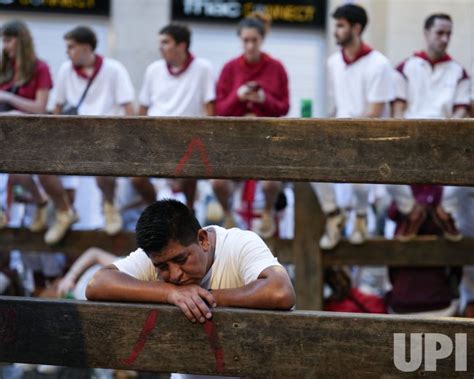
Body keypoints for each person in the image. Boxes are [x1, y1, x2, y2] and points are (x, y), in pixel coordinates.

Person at [86, 199, 295, 324]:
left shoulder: (240, 243)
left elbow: (280, 291)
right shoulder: (157, 254)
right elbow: (98, 283)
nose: (175, 274)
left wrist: (206, 298)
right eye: (163, 267)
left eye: (181, 259)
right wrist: (171, 293)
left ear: (203, 240)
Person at [38, 26, 147, 245]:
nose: (67, 52)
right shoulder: (65, 70)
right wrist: (52, 141)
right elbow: (57, 109)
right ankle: (64, 210)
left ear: (86, 48)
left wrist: (127, 141)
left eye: (71, 47)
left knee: (103, 169)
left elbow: (129, 109)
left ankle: (109, 207)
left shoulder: (113, 69)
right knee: (39, 166)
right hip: (74, 138)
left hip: (108, 139)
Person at [311, 3, 395, 250]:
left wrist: (346, 131)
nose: (335, 30)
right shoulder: (333, 62)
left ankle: (360, 217)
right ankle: (334, 215)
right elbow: (336, 107)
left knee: (360, 179)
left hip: (370, 139)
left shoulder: (379, 64)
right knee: (308, 165)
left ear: (356, 28)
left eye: (341, 25)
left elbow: (374, 113)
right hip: (341, 135)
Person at [388, 13, 470, 241]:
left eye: (448, 34)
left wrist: (448, 137)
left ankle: (445, 210)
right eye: (440, 33)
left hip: (447, 142)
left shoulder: (459, 72)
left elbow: (461, 111)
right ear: (426, 34)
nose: (444, 39)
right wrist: (401, 139)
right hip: (410, 139)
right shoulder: (406, 67)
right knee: (382, 166)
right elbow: (398, 109)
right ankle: (411, 211)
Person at [212, 12, 289, 238]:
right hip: (235, 138)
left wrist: (264, 99)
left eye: (254, 40)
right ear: (240, 40)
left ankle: (267, 213)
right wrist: (239, 95)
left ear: (262, 39)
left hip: (266, 137)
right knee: (217, 182)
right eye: (245, 40)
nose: (250, 45)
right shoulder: (229, 68)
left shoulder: (276, 67)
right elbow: (221, 109)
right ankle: (228, 214)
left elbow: (284, 106)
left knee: (271, 182)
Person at [139, 23, 215, 210]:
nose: (161, 47)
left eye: (166, 42)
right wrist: (141, 138)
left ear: (181, 45)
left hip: (189, 140)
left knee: (190, 172)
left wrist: (205, 138)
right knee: (135, 178)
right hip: (156, 138)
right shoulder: (153, 69)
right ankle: (156, 211)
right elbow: (143, 108)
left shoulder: (203, 68)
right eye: (160, 42)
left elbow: (210, 109)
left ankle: (189, 212)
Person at [0, 20, 52, 232]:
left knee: (18, 170)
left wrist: (10, 101)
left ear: (21, 41)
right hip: (4, 132)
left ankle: (41, 201)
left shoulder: (40, 68)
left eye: (8, 40)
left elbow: (40, 107)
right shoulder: (4, 68)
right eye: (3, 41)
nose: (4, 46)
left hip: (30, 134)